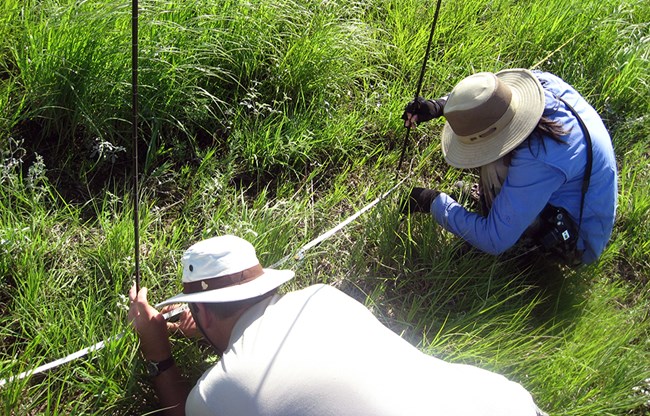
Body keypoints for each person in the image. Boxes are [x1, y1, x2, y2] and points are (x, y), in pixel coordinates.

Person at [129, 234, 547, 416]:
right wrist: (210, 330)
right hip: (503, 404)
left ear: (201, 312)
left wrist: (158, 354)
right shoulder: (322, 297)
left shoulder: (217, 391)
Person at [401, 68, 617, 265]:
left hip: (575, 241)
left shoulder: (539, 156)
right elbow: (488, 98)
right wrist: (440, 106)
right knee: (496, 158)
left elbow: (494, 239)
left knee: (496, 164)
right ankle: (502, 207)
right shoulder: (540, 85)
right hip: (566, 191)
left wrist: (433, 202)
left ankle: (519, 249)